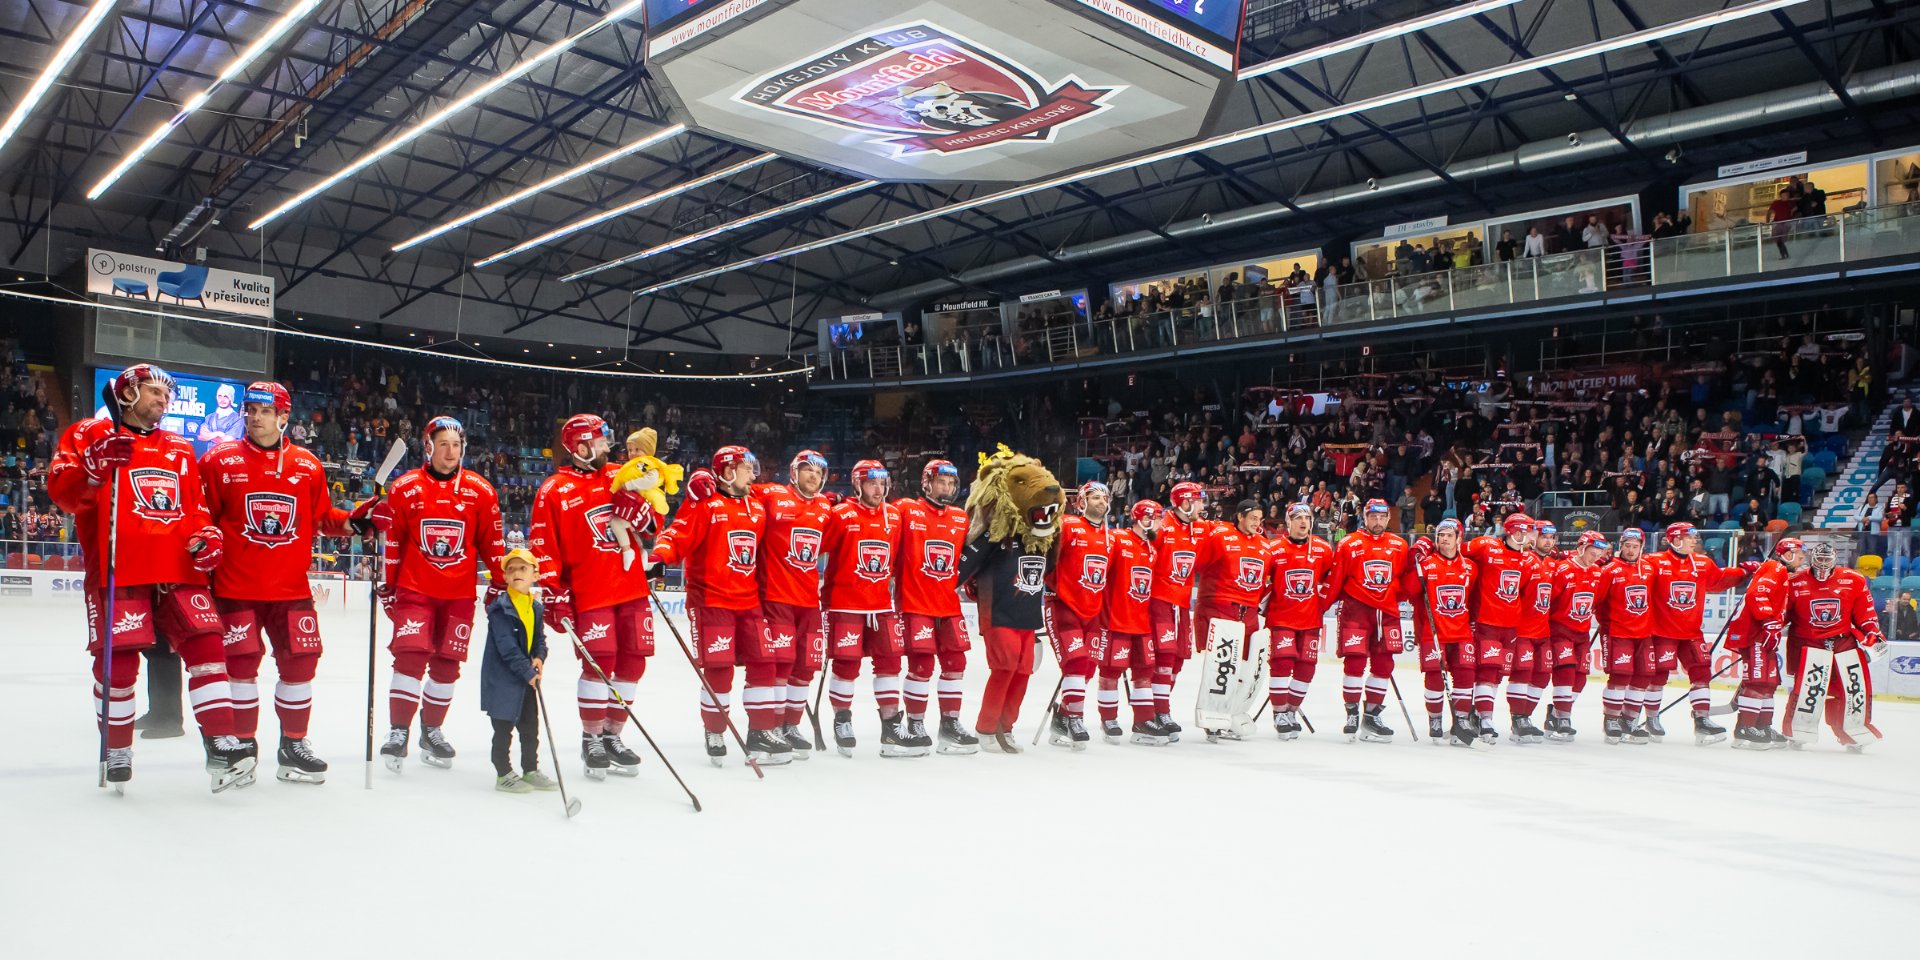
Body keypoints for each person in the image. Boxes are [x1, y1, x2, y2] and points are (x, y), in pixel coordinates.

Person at [49, 363, 253, 792]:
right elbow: (64, 495)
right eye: (154, 391)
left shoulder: (179, 446)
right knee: (119, 667)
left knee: (208, 647)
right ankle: (117, 749)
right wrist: (92, 469)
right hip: (119, 569)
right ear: (127, 393)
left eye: (166, 395)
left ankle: (221, 744)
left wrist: (207, 534)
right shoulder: (89, 433)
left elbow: (195, 508)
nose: (163, 400)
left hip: (179, 570)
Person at [199, 381, 373, 785]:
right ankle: (242, 749)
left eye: (264, 411)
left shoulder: (307, 465)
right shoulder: (219, 460)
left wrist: (355, 521)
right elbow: (201, 516)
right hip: (235, 588)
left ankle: (293, 746)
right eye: (250, 410)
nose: (254, 417)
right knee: (240, 665)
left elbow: (322, 518)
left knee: (301, 663)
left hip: (291, 590)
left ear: (283, 416)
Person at [376, 416, 506, 771]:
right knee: (410, 658)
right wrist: (388, 586)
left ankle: (431, 730)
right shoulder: (405, 487)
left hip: (458, 595)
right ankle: (398, 730)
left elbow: (493, 545)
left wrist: (501, 583)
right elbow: (394, 543)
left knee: (447, 665)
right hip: (415, 590)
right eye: (444, 444)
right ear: (429, 446)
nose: (451, 452)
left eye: (457, 445)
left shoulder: (481, 491)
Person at [528, 415, 655, 779]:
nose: (607, 448)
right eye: (600, 442)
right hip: (590, 593)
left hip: (632, 589)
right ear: (580, 447)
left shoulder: (621, 474)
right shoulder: (554, 489)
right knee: (600, 662)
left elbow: (652, 525)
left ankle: (613, 736)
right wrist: (554, 592)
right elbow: (543, 546)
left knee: (633, 664)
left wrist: (643, 515)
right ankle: (592, 738)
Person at [649, 445, 779, 765]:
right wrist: (659, 558)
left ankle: (760, 732)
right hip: (711, 599)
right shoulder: (705, 503)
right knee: (720, 670)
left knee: (765, 663)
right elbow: (678, 534)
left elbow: (780, 495)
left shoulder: (756, 504)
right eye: (746, 468)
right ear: (729, 471)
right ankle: (715, 730)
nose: (753, 474)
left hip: (749, 599)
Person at [818, 459, 916, 757]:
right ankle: (842, 720)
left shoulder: (894, 516)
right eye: (872, 483)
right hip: (845, 604)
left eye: (882, 483)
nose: (878, 489)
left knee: (890, 664)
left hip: (881, 605)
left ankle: (891, 728)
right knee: (846, 666)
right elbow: (816, 546)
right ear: (857, 484)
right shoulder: (841, 514)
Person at [892, 459, 980, 754]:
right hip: (915, 603)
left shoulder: (960, 517)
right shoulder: (907, 509)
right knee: (922, 665)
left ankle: (950, 724)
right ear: (927, 483)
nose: (947, 487)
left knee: (956, 664)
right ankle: (915, 723)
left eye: (951, 483)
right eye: (941, 482)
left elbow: (975, 551)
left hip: (949, 605)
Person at [752, 450, 836, 758]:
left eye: (818, 472)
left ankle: (790, 725)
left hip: (809, 600)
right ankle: (771, 726)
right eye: (807, 470)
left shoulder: (824, 506)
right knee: (781, 664)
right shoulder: (772, 494)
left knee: (805, 667)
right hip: (776, 597)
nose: (813, 476)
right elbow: (739, 488)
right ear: (794, 472)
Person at [1647, 522, 1752, 744]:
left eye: (1694, 536)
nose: (1694, 540)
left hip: (1692, 632)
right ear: (1675, 540)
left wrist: (1745, 572)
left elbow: (1720, 579)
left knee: (1702, 673)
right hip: (1662, 632)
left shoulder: (1702, 563)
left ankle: (1702, 720)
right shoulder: (1654, 561)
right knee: (1658, 676)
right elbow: (1632, 575)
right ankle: (1651, 718)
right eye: (1689, 537)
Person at [1782, 542, 1886, 750]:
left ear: (1835, 559)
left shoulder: (1854, 580)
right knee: (1807, 691)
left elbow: (1865, 613)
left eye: (1826, 559)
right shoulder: (1794, 582)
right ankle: (1797, 730)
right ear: (1812, 559)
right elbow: (1782, 615)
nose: (1822, 564)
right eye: (1819, 559)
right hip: (1809, 643)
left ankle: (1851, 731)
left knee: (1851, 690)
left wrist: (1872, 633)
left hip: (1843, 643)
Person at [1327, 498, 1411, 741]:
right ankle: (1352, 713)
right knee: (1355, 663)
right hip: (1356, 612)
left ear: (1388, 518)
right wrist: (1320, 606)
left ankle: (1372, 716)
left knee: (1384, 666)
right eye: (1373, 516)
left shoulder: (1399, 545)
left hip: (1387, 614)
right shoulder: (1348, 543)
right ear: (1365, 517)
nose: (1378, 521)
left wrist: (1391, 597)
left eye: (1382, 517)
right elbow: (1336, 580)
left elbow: (1404, 581)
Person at [480, 547, 558, 794]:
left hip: (525, 680)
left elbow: (539, 640)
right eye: (511, 569)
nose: (516, 573)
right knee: (503, 729)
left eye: (523, 568)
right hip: (503, 681)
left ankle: (530, 769)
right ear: (504, 577)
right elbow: (507, 648)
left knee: (530, 728)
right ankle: (503, 773)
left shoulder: (535, 607)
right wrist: (528, 671)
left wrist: (539, 658)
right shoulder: (500, 609)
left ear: (535, 575)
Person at [1459, 512, 1541, 744]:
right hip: (1486, 621)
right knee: (1486, 670)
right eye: (1528, 531)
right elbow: (1455, 551)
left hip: (1510, 626)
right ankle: (1485, 719)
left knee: (1497, 674)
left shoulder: (1528, 560)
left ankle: (1479, 714)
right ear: (1515, 532)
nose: (1532, 536)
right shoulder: (1486, 546)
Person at [1044, 481, 1115, 749]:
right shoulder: (1068, 525)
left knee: (1088, 667)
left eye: (1104, 498)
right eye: (1095, 497)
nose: (1101, 502)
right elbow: (1045, 555)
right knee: (1076, 662)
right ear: (1082, 501)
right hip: (1064, 606)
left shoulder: (1111, 537)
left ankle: (1062, 716)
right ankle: (1075, 718)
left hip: (1093, 610)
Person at [1098, 500, 1169, 744]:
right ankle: (1108, 719)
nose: (1161, 524)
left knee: (1144, 671)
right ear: (1144, 518)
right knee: (1111, 670)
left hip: (1141, 621)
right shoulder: (1118, 539)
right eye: (1157, 518)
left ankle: (1143, 721)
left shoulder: (1152, 549)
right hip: (1116, 619)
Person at [1724, 538, 1803, 749]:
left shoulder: (1777, 569)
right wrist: (1769, 621)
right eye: (1799, 554)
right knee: (1758, 682)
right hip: (1756, 635)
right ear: (1787, 555)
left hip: (1764, 635)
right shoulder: (1776, 568)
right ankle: (1746, 727)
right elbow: (1756, 594)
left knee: (1769, 683)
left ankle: (1763, 726)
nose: (1802, 558)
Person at [1263, 502, 1333, 740]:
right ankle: (1279, 713)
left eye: (1307, 518)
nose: (1304, 522)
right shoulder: (1274, 548)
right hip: (1281, 618)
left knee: (1306, 668)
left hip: (1311, 619)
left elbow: (1330, 578)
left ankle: (1291, 710)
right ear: (1288, 522)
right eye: (1298, 518)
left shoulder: (1323, 549)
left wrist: (1322, 602)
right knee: (1282, 664)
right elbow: (1262, 580)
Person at [1148, 481, 1213, 738]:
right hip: (1159, 601)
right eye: (1198, 501)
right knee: (1163, 658)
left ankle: (1157, 709)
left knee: (1177, 660)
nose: (1202, 506)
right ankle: (1158, 712)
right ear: (1185, 502)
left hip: (1182, 604)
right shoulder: (1161, 527)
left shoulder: (1200, 527)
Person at [1408, 518, 1474, 745]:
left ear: (1459, 538)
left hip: (1462, 631)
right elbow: (1409, 591)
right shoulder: (1427, 564)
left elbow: (1474, 597)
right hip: (1433, 632)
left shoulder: (1470, 567)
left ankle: (1462, 720)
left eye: (1449, 535)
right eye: (1440, 535)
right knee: (1435, 676)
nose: (1444, 539)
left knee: (1466, 675)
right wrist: (1414, 565)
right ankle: (1435, 718)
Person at [1593, 528, 1656, 744]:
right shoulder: (1609, 570)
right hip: (1618, 632)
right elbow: (1597, 601)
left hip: (1644, 633)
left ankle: (1629, 720)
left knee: (1643, 677)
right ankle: (1611, 719)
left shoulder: (1649, 568)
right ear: (1621, 546)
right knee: (1620, 676)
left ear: (1641, 547)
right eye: (1627, 546)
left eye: (1635, 546)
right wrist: (1606, 623)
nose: (1630, 550)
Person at [1546, 531, 1609, 741]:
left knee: (1580, 677)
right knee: (1566, 671)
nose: (1596, 556)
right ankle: (1563, 718)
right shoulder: (1563, 569)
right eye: (1593, 551)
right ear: (1581, 548)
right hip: (1560, 630)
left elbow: (1597, 601)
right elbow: (1548, 599)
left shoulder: (1597, 572)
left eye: (1599, 552)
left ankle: (1556, 714)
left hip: (1582, 633)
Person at [1504, 521, 1560, 742]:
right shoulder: (1525, 561)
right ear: (1533, 538)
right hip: (1522, 630)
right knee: (1522, 673)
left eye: (1552, 538)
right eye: (1544, 536)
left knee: (1542, 675)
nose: (1548, 541)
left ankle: (1525, 717)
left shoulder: (1552, 563)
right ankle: (1518, 719)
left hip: (1543, 631)